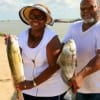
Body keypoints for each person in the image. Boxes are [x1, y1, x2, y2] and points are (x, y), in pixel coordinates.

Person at [16, 4, 67, 100]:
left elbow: (55, 66)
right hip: (27, 89)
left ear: (45, 20)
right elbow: (18, 61)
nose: (35, 19)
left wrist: (32, 83)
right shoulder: (22, 36)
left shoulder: (51, 37)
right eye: (32, 16)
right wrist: (11, 46)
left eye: (39, 17)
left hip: (50, 92)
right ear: (28, 19)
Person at [62, 0, 100, 100]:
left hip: (97, 90)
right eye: (82, 9)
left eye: (91, 7)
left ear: (99, 8)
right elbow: (61, 47)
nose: (86, 11)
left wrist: (80, 76)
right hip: (76, 87)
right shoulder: (74, 27)